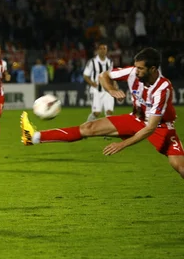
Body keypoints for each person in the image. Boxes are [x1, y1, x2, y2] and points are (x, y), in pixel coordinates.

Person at [20, 48, 184, 179]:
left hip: (160, 127)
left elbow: (150, 128)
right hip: (135, 118)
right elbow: (103, 76)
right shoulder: (132, 72)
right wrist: (111, 89)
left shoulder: (163, 89)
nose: (136, 71)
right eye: (136, 67)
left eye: (141, 68)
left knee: (179, 166)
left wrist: (122, 145)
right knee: (88, 128)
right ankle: (34, 137)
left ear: (153, 69)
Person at [83, 42, 117, 122]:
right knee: (96, 113)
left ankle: (106, 132)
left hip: (108, 90)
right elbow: (85, 75)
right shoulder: (92, 62)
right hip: (97, 91)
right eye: (100, 48)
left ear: (107, 50)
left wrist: (114, 84)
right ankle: (87, 126)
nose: (102, 50)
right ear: (97, 50)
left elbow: (112, 74)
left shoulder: (110, 62)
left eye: (104, 48)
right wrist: (92, 83)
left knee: (109, 112)